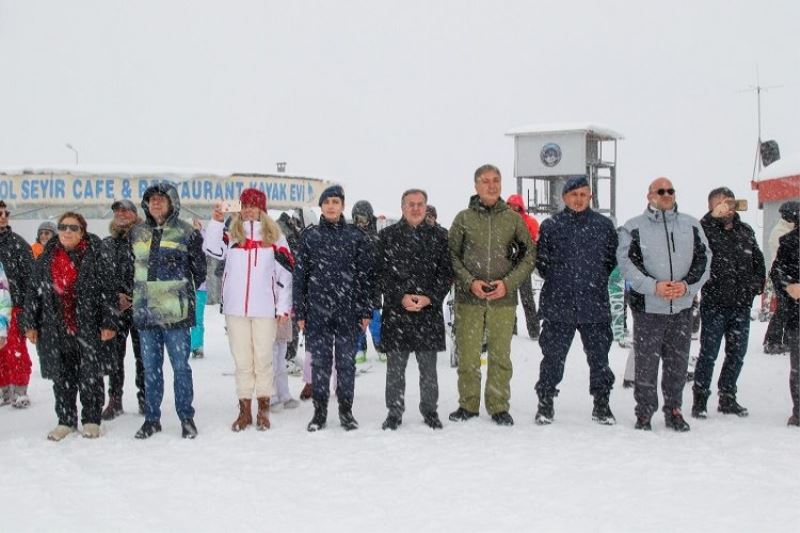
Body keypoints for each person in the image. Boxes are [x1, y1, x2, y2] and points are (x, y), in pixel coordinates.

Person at [618, 177, 710, 431]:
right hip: (648, 308)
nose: (667, 194)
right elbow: (626, 263)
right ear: (650, 196)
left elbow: (705, 259)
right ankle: (644, 412)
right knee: (646, 363)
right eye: (661, 191)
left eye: (671, 190)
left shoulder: (691, 225)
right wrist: (653, 286)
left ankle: (674, 410)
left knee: (677, 363)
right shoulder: (634, 227)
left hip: (681, 308)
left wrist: (687, 286)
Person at [447, 164, 535, 426]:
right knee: (469, 355)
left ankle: (498, 405)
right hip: (470, 300)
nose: (491, 185)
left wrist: (508, 284)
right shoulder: (463, 218)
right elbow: (451, 255)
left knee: (500, 356)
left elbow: (529, 255)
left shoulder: (512, 219)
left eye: (496, 180)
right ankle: (468, 404)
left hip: (502, 301)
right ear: (476, 186)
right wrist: (469, 281)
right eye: (485, 181)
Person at [22, 212, 116, 440]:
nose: (67, 232)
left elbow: (108, 291)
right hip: (56, 327)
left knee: (90, 375)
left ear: (82, 231)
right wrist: (30, 323)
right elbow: (33, 292)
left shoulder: (96, 254)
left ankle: (92, 419)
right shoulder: (46, 257)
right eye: (63, 227)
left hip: (89, 326)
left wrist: (109, 322)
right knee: (62, 376)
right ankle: (65, 420)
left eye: (73, 228)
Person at [204, 188, 293, 431]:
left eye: (254, 205)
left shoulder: (275, 237)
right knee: (242, 361)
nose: (249, 210)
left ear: (262, 209)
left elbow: (285, 274)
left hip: (265, 309)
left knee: (263, 360)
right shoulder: (232, 235)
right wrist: (216, 221)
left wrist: (284, 307)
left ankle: (263, 410)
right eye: (245, 205)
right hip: (236, 310)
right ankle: (244, 410)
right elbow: (211, 249)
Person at [533, 176, 618, 425]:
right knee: (552, 358)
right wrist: (562, 280)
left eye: (583, 194)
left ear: (590, 197)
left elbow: (610, 260)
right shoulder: (551, 226)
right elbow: (542, 263)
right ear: (564, 197)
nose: (578, 199)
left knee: (599, 359)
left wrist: (593, 278)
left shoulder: (603, 226)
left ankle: (601, 404)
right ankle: (545, 402)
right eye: (573, 194)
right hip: (558, 305)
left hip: (594, 305)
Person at [129, 183, 206, 439]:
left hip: (176, 314)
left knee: (180, 367)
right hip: (146, 313)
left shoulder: (187, 232)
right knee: (150, 369)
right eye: (151, 199)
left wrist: (175, 287)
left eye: (161, 199)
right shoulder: (136, 232)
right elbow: (131, 270)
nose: (156, 203)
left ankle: (186, 417)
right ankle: (152, 419)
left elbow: (200, 271)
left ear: (172, 202)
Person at [293, 185, 373, 432]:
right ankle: (319, 413)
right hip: (317, 311)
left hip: (347, 310)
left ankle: (346, 412)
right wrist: (301, 312)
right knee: (320, 363)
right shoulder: (310, 236)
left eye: (335, 201)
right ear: (321, 206)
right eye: (327, 201)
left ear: (342, 206)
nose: (331, 206)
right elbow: (300, 277)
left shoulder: (355, 236)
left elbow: (364, 276)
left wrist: (365, 310)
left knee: (346, 364)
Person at [376, 189, 452, 431]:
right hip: (397, 313)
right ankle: (394, 412)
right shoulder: (387, 236)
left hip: (428, 313)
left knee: (428, 369)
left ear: (426, 207)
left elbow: (446, 273)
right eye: (411, 204)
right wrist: (401, 296)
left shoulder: (440, 236)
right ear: (402, 207)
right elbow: (381, 273)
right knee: (395, 368)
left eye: (420, 204)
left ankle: (430, 410)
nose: (416, 208)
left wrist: (430, 297)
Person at [691, 187, 765, 419]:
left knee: (737, 354)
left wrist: (754, 287)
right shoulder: (704, 231)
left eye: (729, 202)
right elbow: (694, 250)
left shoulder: (745, 231)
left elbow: (758, 262)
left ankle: (728, 397)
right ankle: (700, 400)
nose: (727, 207)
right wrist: (710, 219)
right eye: (720, 204)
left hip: (741, 306)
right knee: (709, 354)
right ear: (711, 207)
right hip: (714, 304)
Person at [100, 199, 145, 419]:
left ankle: (145, 399)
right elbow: (100, 276)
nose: (121, 214)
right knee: (114, 356)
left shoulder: (146, 238)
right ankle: (114, 400)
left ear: (135, 214)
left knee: (144, 356)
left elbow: (152, 272)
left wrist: (134, 297)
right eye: (118, 211)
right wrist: (114, 296)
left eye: (126, 210)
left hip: (141, 306)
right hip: (114, 309)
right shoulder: (106, 243)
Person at [0, 200, 34, 408]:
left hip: (14, 307)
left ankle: (21, 389)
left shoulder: (17, 244)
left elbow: (31, 278)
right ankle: (4, 390)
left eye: (6, 213)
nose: (3, 216)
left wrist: (27, 306)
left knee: (15, 349)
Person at [769, 202, 800, 426]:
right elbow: (777, 273)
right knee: (798, 366)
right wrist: (789, 286)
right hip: (797, 314)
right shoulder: (789, 242)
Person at [764, 201, 799, 354]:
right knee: (784, 308)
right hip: (781, 275)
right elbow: (784, 256)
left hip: (788, 275)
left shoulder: (790, 229)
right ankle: (772, 341)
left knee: (790, 308)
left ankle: (786, 339)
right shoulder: (781, 232)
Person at [352, 200, 383, 362]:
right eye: (358, 219)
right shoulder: (351, 238)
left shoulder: (376, 238)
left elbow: (382, 264)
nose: (361, 223)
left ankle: (380, 346)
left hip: (374, 288)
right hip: (356, 287)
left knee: (375, 321)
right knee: (357, 322)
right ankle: (359, 349)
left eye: (364, 219)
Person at [506, 193, 541, 339]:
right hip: (507, 265)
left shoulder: (530, 222)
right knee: (509, 300)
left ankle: (534, 331)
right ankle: (511, 331)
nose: (514, 209)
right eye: (511, 206)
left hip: (523, 265)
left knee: (527, 298)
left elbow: (537, 243)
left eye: (516, 207)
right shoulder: (502, 222)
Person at [190, 218, 208, 359]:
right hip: (186, 285)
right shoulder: (185, 237)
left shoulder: (204, 238)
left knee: (197, 318)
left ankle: (196, 346)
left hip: (200, 286)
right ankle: (188, 344)